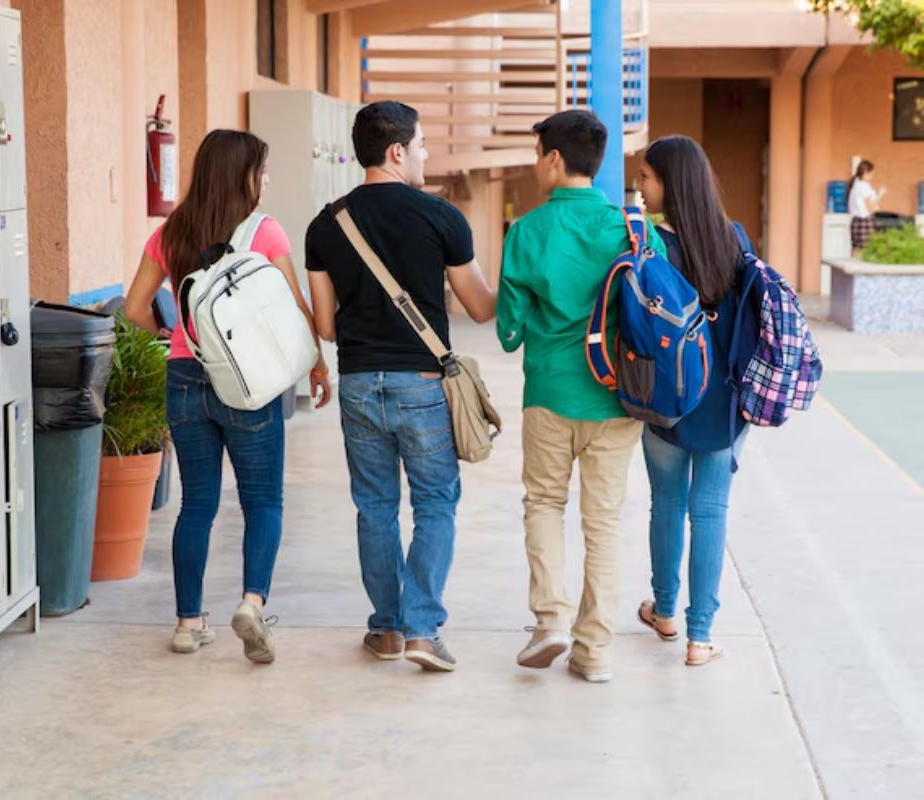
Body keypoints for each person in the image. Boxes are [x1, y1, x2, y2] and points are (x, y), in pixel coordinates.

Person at [124, 129, 332, 662]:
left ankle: (188, 623)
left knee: (196, 504)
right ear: (243, 176)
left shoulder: (172, 231)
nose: (266, 180)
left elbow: (134, 308)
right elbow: (293, 309)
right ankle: (251, 604)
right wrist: (316, 364)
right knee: (262, 500)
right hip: (250, 381)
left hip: (186, 376)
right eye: (261, 171)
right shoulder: (265, 231)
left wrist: (175, 337)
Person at [305, 101, 496, 673]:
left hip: (360, 382)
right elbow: (481, 308)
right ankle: (422, 629)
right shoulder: (441, 218)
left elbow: (325, 326)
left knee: (375, 506)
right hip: (422, 382)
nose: (425, 153)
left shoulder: (325, 223)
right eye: (421, 145)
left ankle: (387, 628)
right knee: (435, 501)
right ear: (396, 151)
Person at [497, 110, 661, 684]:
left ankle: (551, 623)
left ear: (554, 160)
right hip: (618, 401)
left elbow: (508, 332)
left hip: (548, 393)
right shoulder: (636, 230)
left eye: (536, 152)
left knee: (543, 504)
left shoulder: (526, 232)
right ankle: (594, 651)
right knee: (604, 524)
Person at [634, 134, 754, 667]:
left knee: (667, 503)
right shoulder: (735, 238)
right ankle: (699, 636)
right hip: (724, 401)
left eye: (647, 177)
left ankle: (663, 610)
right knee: (711, 511)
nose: (640, 187)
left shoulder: (649, 245)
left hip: (667, 399)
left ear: (670, 183)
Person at [847, 159, 884, 253]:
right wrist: (880, 194)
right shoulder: (864, 186)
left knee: (856, 249)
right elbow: (870, 206)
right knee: (866, 250)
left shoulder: (855, 183)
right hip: (864, 220)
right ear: (866, 173)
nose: (872, 176)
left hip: (855, 220)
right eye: (871, 173)